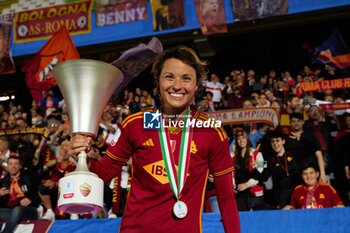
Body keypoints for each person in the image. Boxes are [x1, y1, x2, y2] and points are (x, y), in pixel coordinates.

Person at [67, 46, 240, 232]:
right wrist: (82, 158)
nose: (177, 85)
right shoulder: (135, 124)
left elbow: (226, 198)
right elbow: (104, 173)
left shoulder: (212, 132)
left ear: (197, 85)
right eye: (169, 76)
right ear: (157, 82)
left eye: (186, 78)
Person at [0, 156, 40, 233]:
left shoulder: (29, 178)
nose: (13, 166)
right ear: (7, 166)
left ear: (20, 166)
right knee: (14, 211)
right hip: (10, 211)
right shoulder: (3, 181)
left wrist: (30, 199)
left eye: (16, 164)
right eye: (10, 164)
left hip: (29, 210)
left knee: (17, 209)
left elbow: (39, 196)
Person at [232, 130, 268, 211]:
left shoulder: (258, 154)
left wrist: (247, 185)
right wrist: (232, 186)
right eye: (238, 139)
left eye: (243, 138)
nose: (241, 141)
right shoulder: (232, 156)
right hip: (238, 194)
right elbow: (230, 175)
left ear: (247, 139)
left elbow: (262, 175)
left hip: (254, 193)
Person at [267, 129, 299, 209]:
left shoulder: (293, 155)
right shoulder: (270, 160)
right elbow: (263, 174)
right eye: (272, 141)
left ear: (283, 141)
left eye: (277, 141)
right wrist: (256, 167)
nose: (275, 143)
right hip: (280, 195)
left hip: (295, 192)